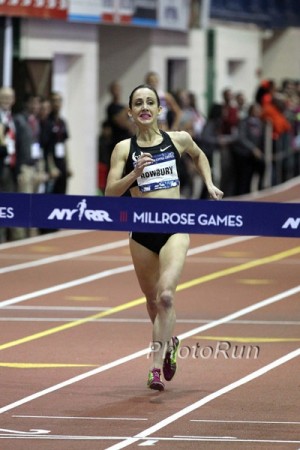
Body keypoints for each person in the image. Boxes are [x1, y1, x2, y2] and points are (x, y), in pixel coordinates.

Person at [105, 84, 223, 391]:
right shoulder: (123, 149)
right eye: (138, 103)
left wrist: (209, 183)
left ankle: (155, 368)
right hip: (141, 233)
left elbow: (200, 156)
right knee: (153, 303)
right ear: (130, 112)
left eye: (150, 102)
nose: (144, 107)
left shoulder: (178, 139)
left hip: (174, 227)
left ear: (159, 110)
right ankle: (169, 341)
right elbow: (110, 193)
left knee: (166, 295)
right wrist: (133, 173)